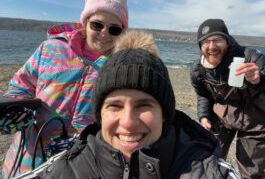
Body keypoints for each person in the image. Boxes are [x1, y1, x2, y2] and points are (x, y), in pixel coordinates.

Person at [14, 30, 240, 179]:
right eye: (114, 106)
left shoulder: (207, 171)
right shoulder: (66, 168)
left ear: (165, 113)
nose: (129, 122)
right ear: (99, 114)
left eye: (144, 105)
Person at [0, 0, 128, 178]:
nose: (104, 33)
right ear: (85, 22)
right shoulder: (51, 49)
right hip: (29, 153)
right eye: (97, 25)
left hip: (81, 160)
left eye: (114, 29)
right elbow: (21, 85)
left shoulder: (119, 66)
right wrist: (15, 111)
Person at [190, 19, 265, 179]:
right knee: (209, 162)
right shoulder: (198, 70)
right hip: (222, 119)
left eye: (217, 40)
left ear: (227, 40)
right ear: (200, 46)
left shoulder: (250, 57)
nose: (211, 46)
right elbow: (203, 95)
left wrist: (261, 79)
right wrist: (204, 115)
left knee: (252, 173)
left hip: (256, 123)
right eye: (205, 42)